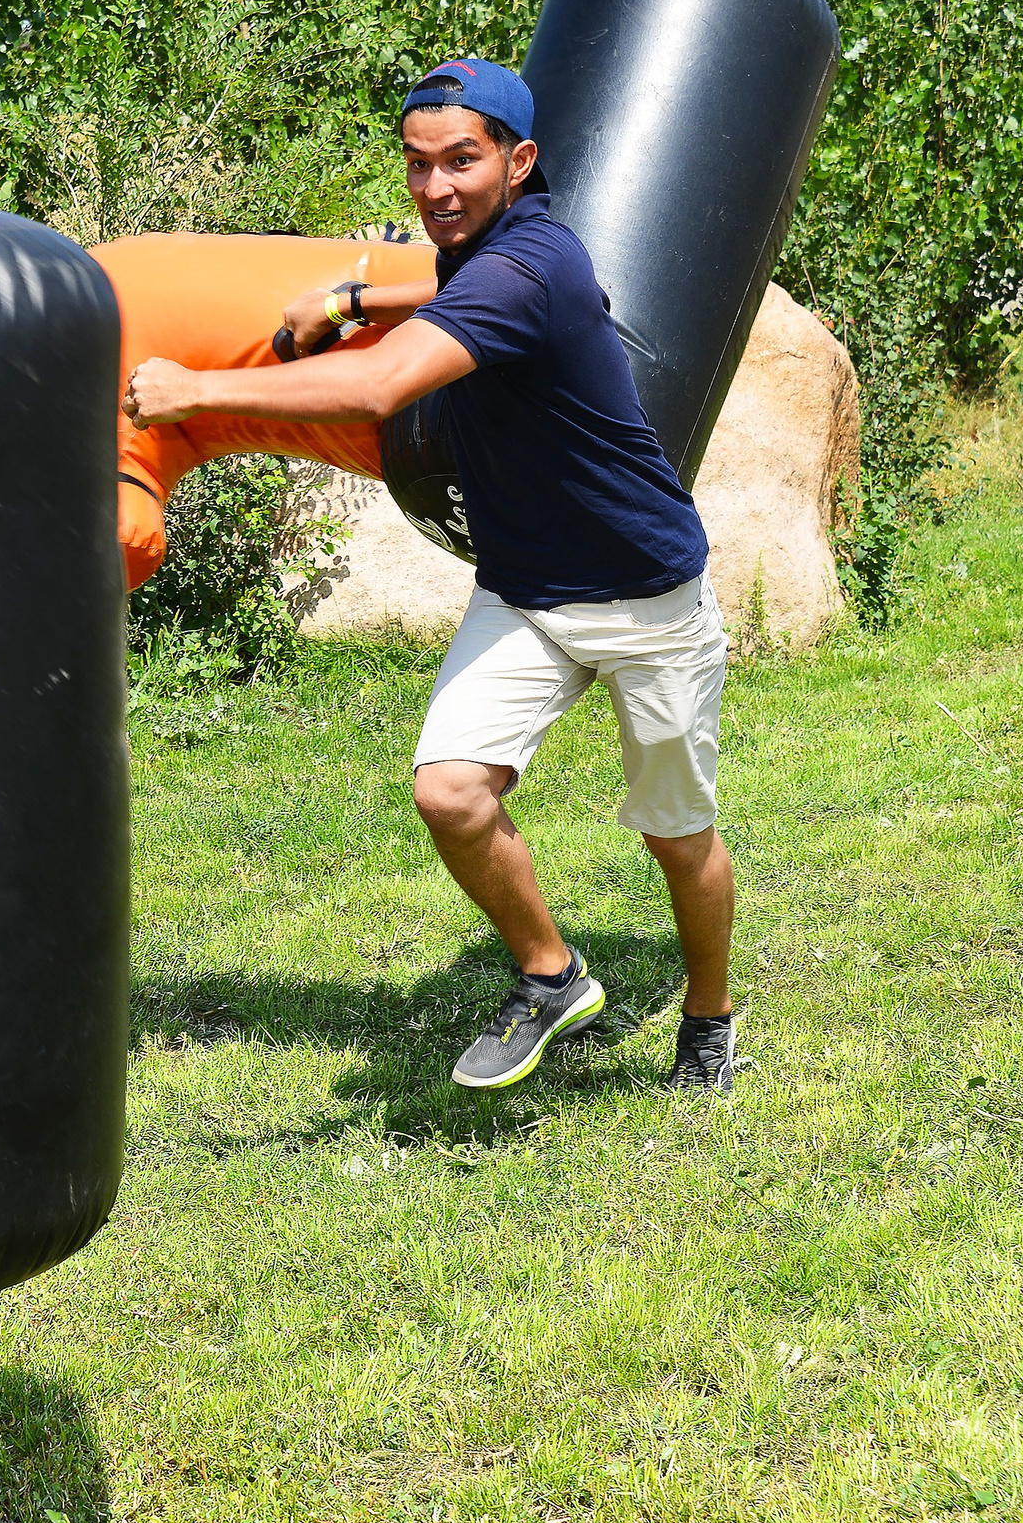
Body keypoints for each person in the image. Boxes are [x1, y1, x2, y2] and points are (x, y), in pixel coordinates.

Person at [122, 58, 740, 1096]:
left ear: (519, 158)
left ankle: (709, 1016)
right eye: (417, 165)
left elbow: (377, 385)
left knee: (678, 839)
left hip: (645, 599)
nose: (437, 187)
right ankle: (551, 974)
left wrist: (193, 388)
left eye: (462, 160)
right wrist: (352, 289)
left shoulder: (528, 268)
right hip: (523, 590)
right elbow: (435, 273)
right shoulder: (481, 250)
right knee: (450, 793)